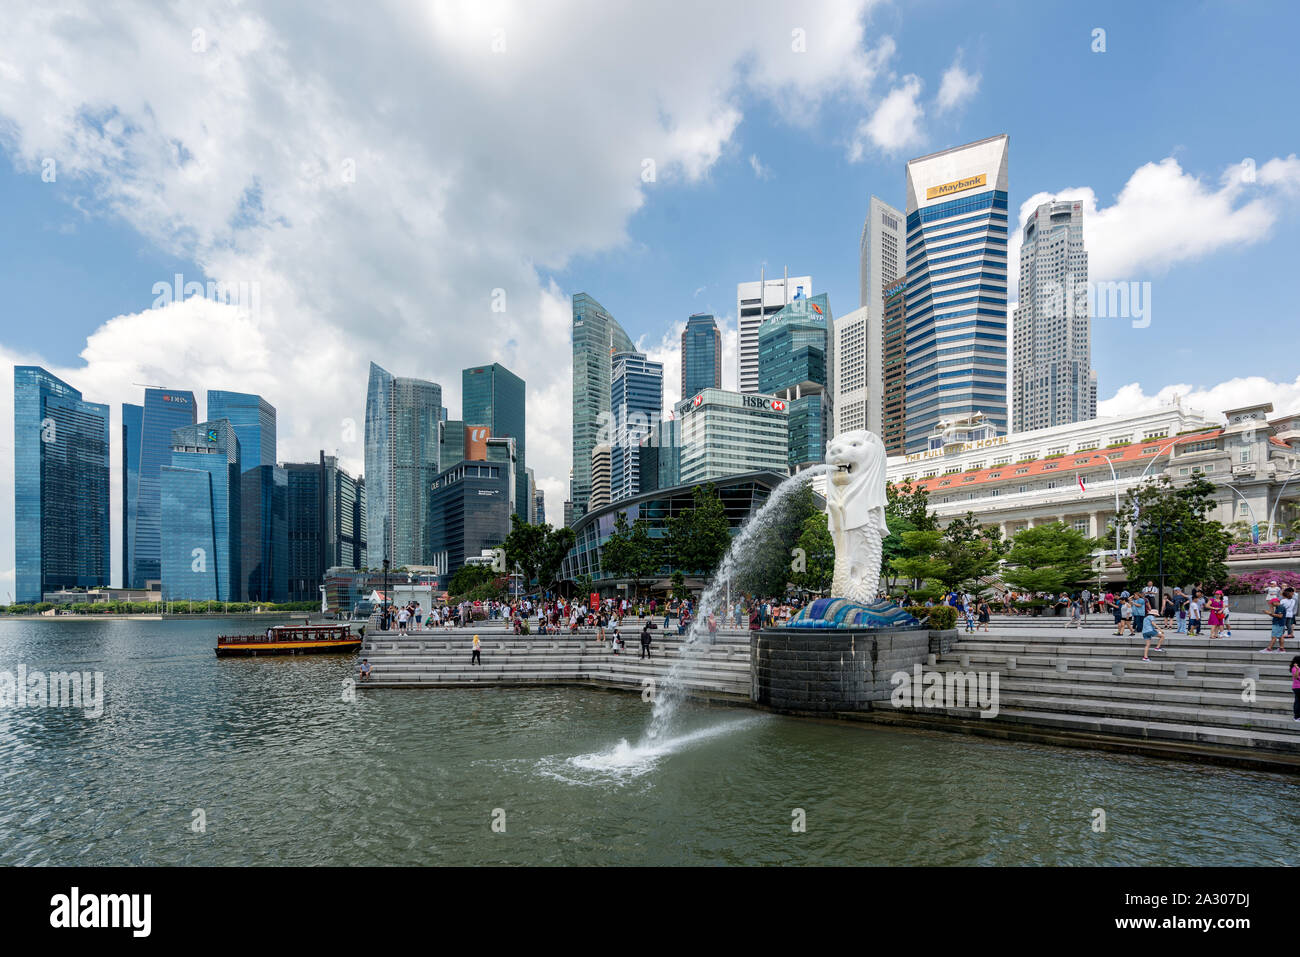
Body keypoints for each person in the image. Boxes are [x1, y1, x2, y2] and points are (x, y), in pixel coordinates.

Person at [1291, 655, 1300, 722]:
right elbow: (1296, 677)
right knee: (1298, 702)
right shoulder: (1295, 668)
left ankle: (1297, 716)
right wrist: (1297, 669)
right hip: (1297, 687)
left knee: (1297, 701)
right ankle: (1296, 717)